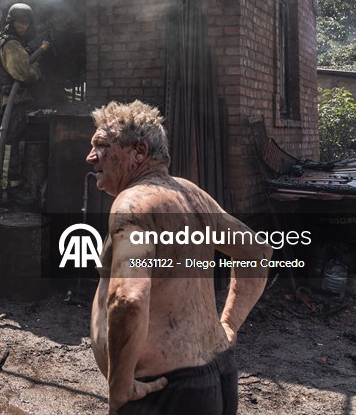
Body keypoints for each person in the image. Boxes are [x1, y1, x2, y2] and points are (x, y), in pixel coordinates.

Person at [86, 100, 271, 415]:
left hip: (165, 393)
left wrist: (119, 388)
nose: (90, 157)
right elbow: (256, 250)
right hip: (218, 374)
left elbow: (129, 299)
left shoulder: (132, 204)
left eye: (102, 146)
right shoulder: (191, 194)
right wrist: (229, 324)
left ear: (139, 152)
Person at [0, 3, 48, 189]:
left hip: (5, 100)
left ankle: (6, 185)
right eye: (21, 22)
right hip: (12, 101)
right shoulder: (12, 44)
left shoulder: (4, 40)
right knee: (10, 143)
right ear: (11, 22)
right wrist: (36, 69)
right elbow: (23, 72)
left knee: (9, 141)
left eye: (27, 23)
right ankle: (7, 187)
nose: (24, 27)